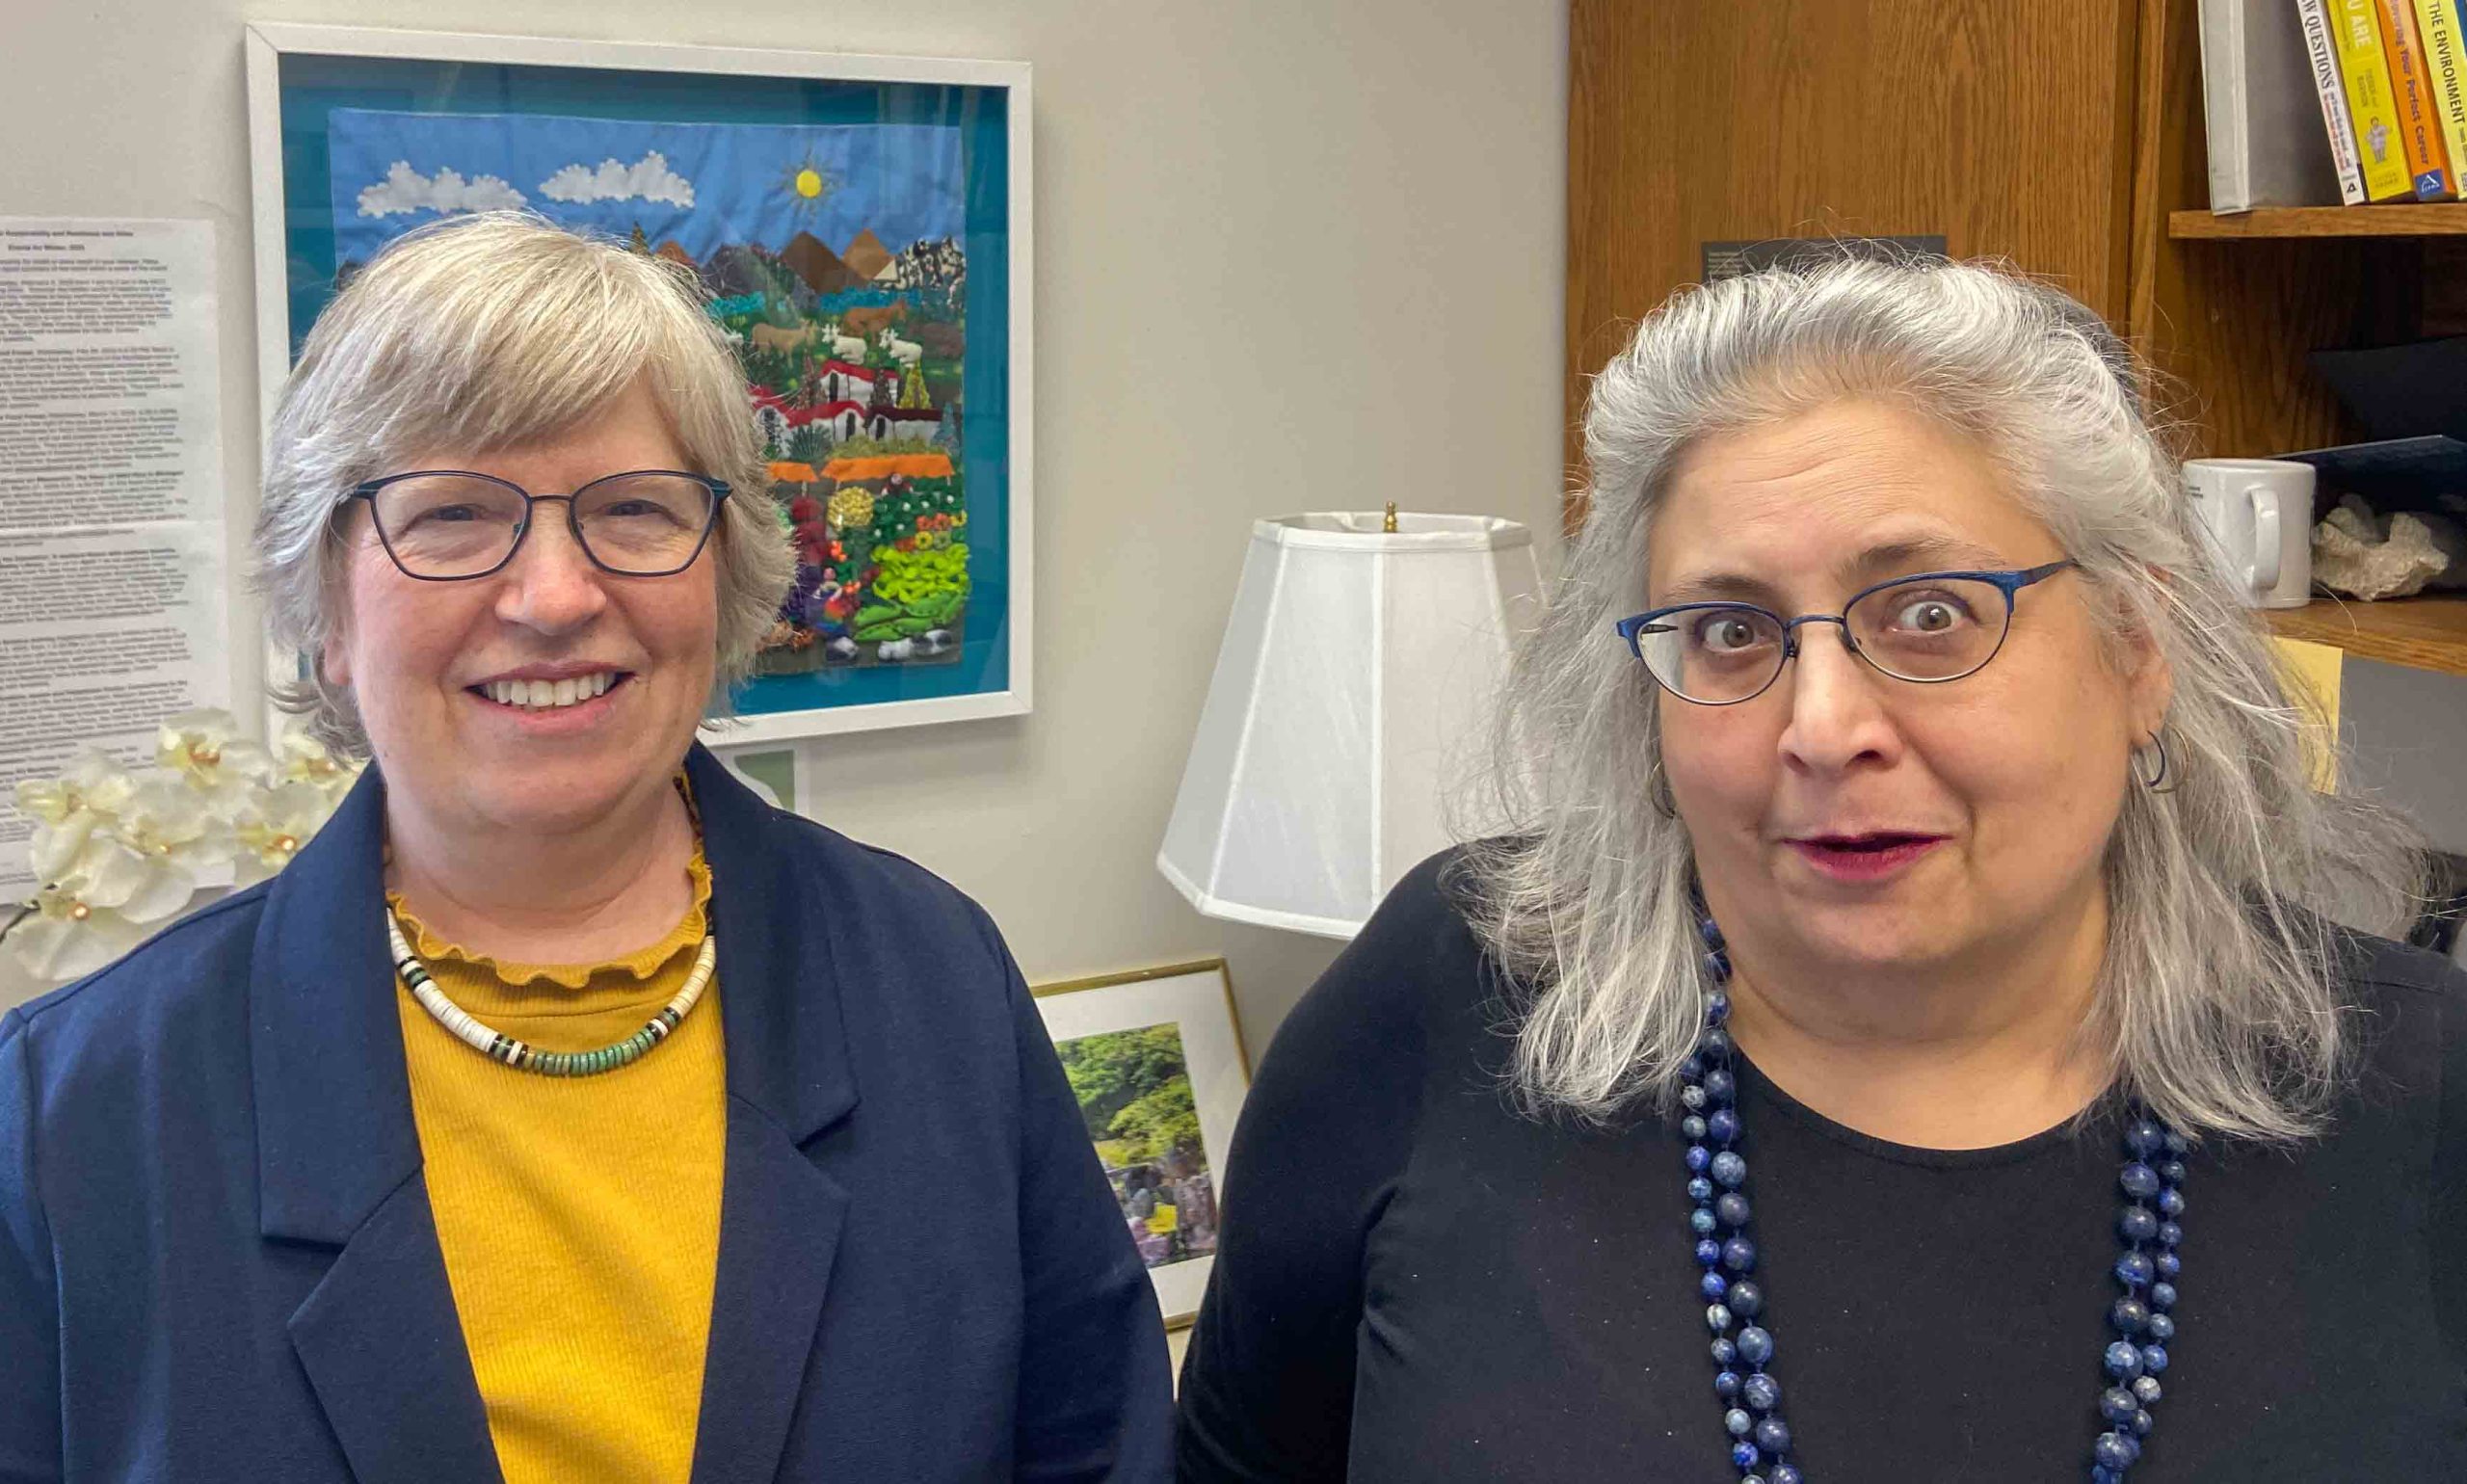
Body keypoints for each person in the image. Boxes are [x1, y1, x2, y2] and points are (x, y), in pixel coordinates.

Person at [1176, 258, 2467, 1481]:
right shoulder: (1447, 999)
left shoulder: (2427, 1093)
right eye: (1732, 632)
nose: (1822, 727)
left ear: (2136, 651)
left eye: (1931, 614)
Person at [0, 212, 1171, 1482]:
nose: (555, 598)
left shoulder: (936, 981)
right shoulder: (73, 1117)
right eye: (449, 513)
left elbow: (1093, 1445)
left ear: (723, 572)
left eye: (631, 508)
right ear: (324, 605)